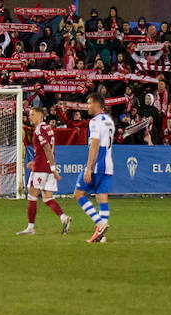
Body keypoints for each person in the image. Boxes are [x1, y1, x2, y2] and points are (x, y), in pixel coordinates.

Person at [17, 105, 71, 235]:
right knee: (47, 198)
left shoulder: (39, 129)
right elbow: (46, 150)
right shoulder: (48, 128)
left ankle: (30, 228)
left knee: (31, 196)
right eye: (29, 115)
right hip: (46, 166)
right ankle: (64, 218)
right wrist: (46, 165)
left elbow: (47, 148)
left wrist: (51, 168)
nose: (30, 117)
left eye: (32, 114)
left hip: (42, 169)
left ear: (40, 115)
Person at [72, 92, 115, 243]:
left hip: (97, 165)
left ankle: (100, 223)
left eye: (89, 103)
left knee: (78, 194)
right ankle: (101, 236)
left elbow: (94, 144)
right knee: (101, 196)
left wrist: (89, 167)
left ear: (97, 105)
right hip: (108, 165)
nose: (87, 106)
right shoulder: (109, 120)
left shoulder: (95, 121)